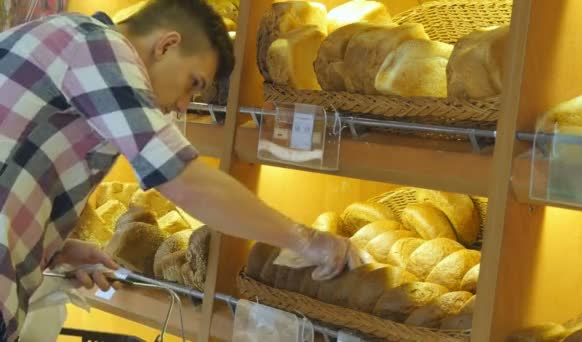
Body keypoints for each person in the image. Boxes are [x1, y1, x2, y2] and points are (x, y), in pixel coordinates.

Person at [0, 1, 363, 340]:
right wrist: (307, 241)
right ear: (167, 45)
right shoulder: (97, 48)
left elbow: (17, 163)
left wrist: (52, 247)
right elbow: (184, 180)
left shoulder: (65, 39)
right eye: (194, 83)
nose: (185, 104)